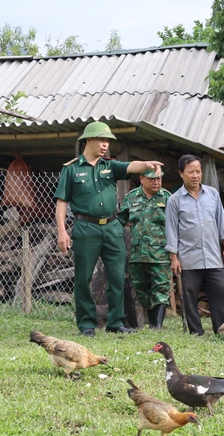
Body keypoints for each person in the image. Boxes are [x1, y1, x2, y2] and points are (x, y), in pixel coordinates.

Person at [54, 121, 163, 337]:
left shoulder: (109, 166)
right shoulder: (72, 169)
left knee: (117, 276)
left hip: (112, 227)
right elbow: (61, 201)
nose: (105, 145)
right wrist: (62, 231)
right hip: (86, 227)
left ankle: (116, 322)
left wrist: (148, 164)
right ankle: (86, 324)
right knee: (83, 278)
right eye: (101, 140)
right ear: (88, 140)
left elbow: (132, 166)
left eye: (107, 141)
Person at [165, 154, 224, 335]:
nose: (195, 175)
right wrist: (174, 257)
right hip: (188, 258)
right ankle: (196, 331)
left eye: (198, 171)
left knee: (221, 294)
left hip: (213, 256)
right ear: (181, 173)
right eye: (190, 172)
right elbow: (171, 230)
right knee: (189, 296)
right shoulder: (174, 200)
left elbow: (221, 221)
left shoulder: (212, 194)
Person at [118, 169, 171, 329]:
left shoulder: (167, 198)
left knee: (161, 288)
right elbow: (122, 219)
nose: (156, 182)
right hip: (138, 253)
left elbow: (177, 224)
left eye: (159, 179)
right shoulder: (131, 197)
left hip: (160, 253)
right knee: (142, 290)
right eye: (152, 179)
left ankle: (157, 325)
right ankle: (151, 321)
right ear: (142, 179)